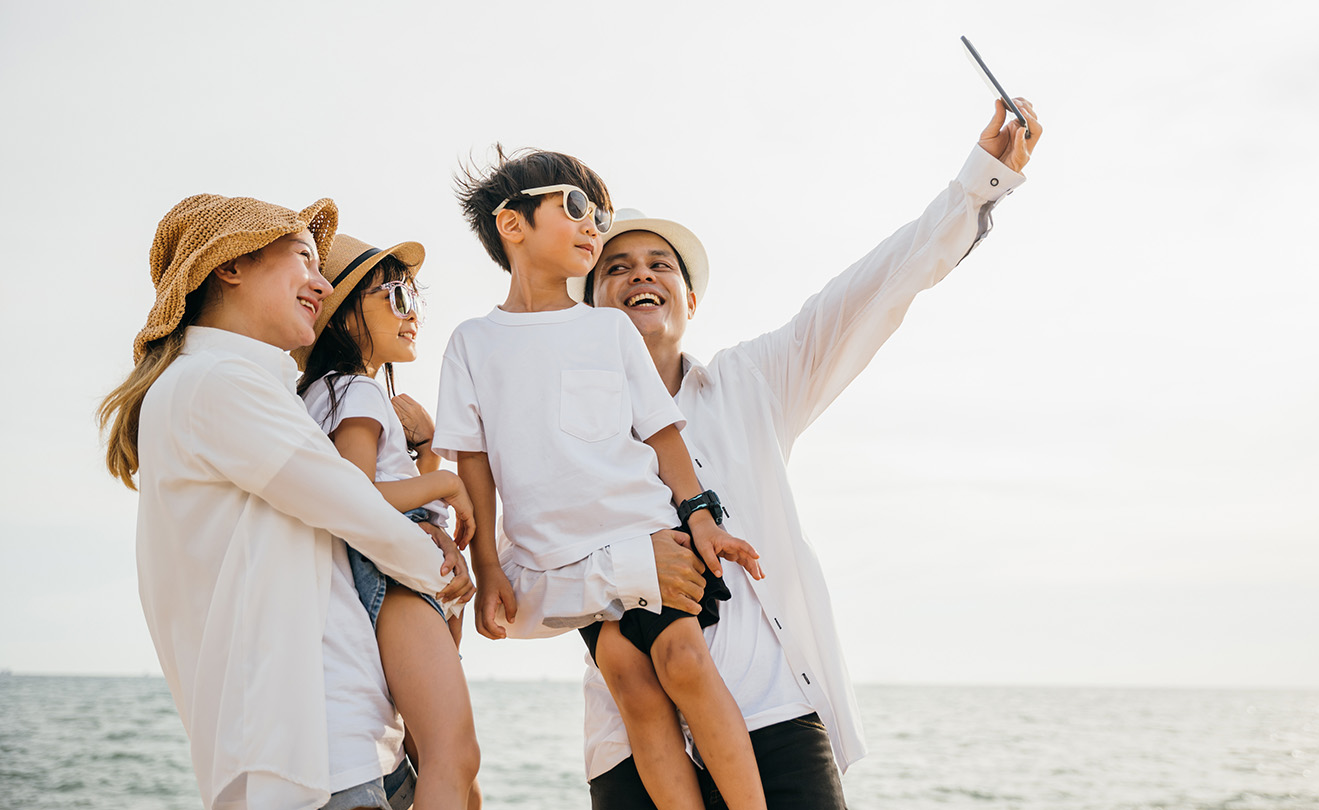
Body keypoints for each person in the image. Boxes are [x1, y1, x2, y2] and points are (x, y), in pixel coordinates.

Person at [495, 98, 1043, 808]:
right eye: (618, 268)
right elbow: (512, 598)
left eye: (660, 266)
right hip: (633, 754)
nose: (641, 277)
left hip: (775, 724)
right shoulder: (553, 433)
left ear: (690, 300)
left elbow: (875, 289)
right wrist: (628, 573)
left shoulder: (751, 384)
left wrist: (979, 181)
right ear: (588, 312)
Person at [97, 195, 476, 810]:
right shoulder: (219, 383)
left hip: (330, 742)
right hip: (310, 751)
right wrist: (446, 570)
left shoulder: (249, 387)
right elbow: (356, 508)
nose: (320, 284)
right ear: (231, 265)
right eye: (303, 256)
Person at [436, 148, 768, 810]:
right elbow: (472, 466)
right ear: (513, 224)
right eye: (579, 207)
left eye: (602, 214)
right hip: (571, 562)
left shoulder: (608, 329)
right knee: (626, 678)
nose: (596, 225)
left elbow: (663, 434)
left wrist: (701, 520)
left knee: (680, 660)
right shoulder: (472, 343)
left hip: (652, 538)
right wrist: (487, 567)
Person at [296, 233, 483, 810]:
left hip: (401, 581)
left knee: (447, 770)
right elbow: (357, 496)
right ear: (345, 317)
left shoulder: (339, 393)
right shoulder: (352, 390)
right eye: (394, 296)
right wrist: (449, 482)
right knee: (454, 757)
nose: (413, 314)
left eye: (413, 298)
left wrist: (424, 446)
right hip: (396, 582)